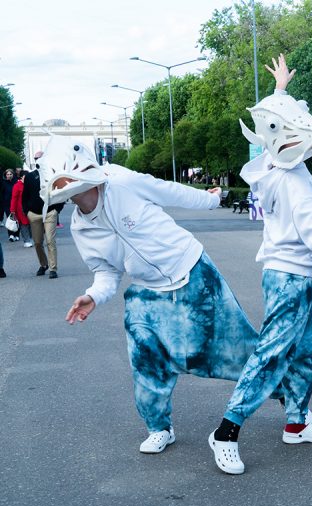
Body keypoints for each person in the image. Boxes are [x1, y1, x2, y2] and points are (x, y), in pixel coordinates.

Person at [37, 134, 263, 456]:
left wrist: (211, 200)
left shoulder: (121, 182)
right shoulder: (81, 228)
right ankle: (159, 428)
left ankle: (285, 391)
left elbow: (168, 191)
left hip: (193, 270)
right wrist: (93, 296)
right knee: (145, 360)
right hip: (147, 292)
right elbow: (106, 272)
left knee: (235, 347)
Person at [209, 54, 312, 475]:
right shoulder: (294, 181)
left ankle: (297, 423)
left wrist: (280, 90)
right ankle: (226, 432)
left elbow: (271, 129)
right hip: (290, 279)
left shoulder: (274, 164)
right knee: (271, 355)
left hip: (292, 276)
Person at [24, 152, 63, 278]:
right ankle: (44, 264)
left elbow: (61, 193)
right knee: (37, 242)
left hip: (50, 212)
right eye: (36, 158)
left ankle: (53, 268)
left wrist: (57, 209)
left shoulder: (53, 175)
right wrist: (27, 212)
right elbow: (25, 195)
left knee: (50, 240)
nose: (38, 160)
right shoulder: (30, 176)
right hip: (34, 214)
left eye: (40, 158)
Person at [10, 171, 33, 247]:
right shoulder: (17, 186)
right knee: (24, 224)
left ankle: (30, 238)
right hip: (20, 209)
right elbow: (14, 198)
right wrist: (12, 210)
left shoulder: (30, 184)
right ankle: (26, 241)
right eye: (25, 177)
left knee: (31, 223)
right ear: (21, 177)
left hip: (30, 207)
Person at [2, 169, 20, 242]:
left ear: (13, 175)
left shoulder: (16, 182)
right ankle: (11, 235)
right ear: (5, 175)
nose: (9, 176)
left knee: (16, 219)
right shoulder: (3, 183)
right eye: (7, 174)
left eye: (10, 174)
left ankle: (17, 234)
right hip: (7, 204)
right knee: (10, 219)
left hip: (16, 204)